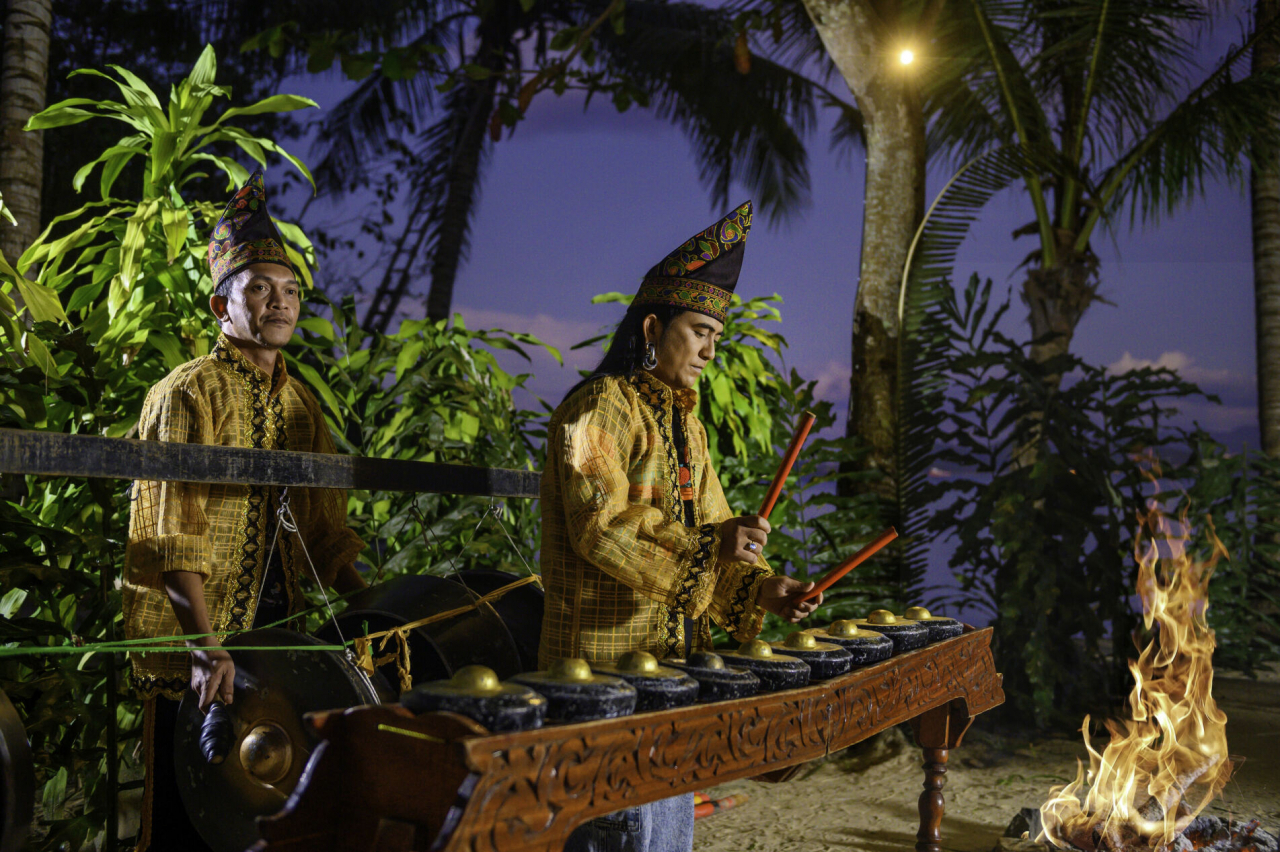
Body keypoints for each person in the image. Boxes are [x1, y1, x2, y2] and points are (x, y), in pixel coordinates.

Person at [539, 200, 822, 852]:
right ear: (651, 326)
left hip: (670, 675)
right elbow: (598, 528)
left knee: (662, 836)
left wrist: (764, 589)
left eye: (716, 337)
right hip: (597, 677)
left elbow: (718, 533)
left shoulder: (687, 425)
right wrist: (707, 543)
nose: (709, 351)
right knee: (612, 833)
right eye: (698, 331)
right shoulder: (592, 412)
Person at [122, 170, 366, 852]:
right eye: (259, 288)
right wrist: (203, 648)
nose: (279, 302)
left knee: (270, 810)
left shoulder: (301, 404)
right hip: (199, 642)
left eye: (288, 291)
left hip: (278, 641)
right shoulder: (185, 394)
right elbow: (170, 531)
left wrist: (373, 608)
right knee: (191, 813)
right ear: (219, 305)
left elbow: (324, 530)